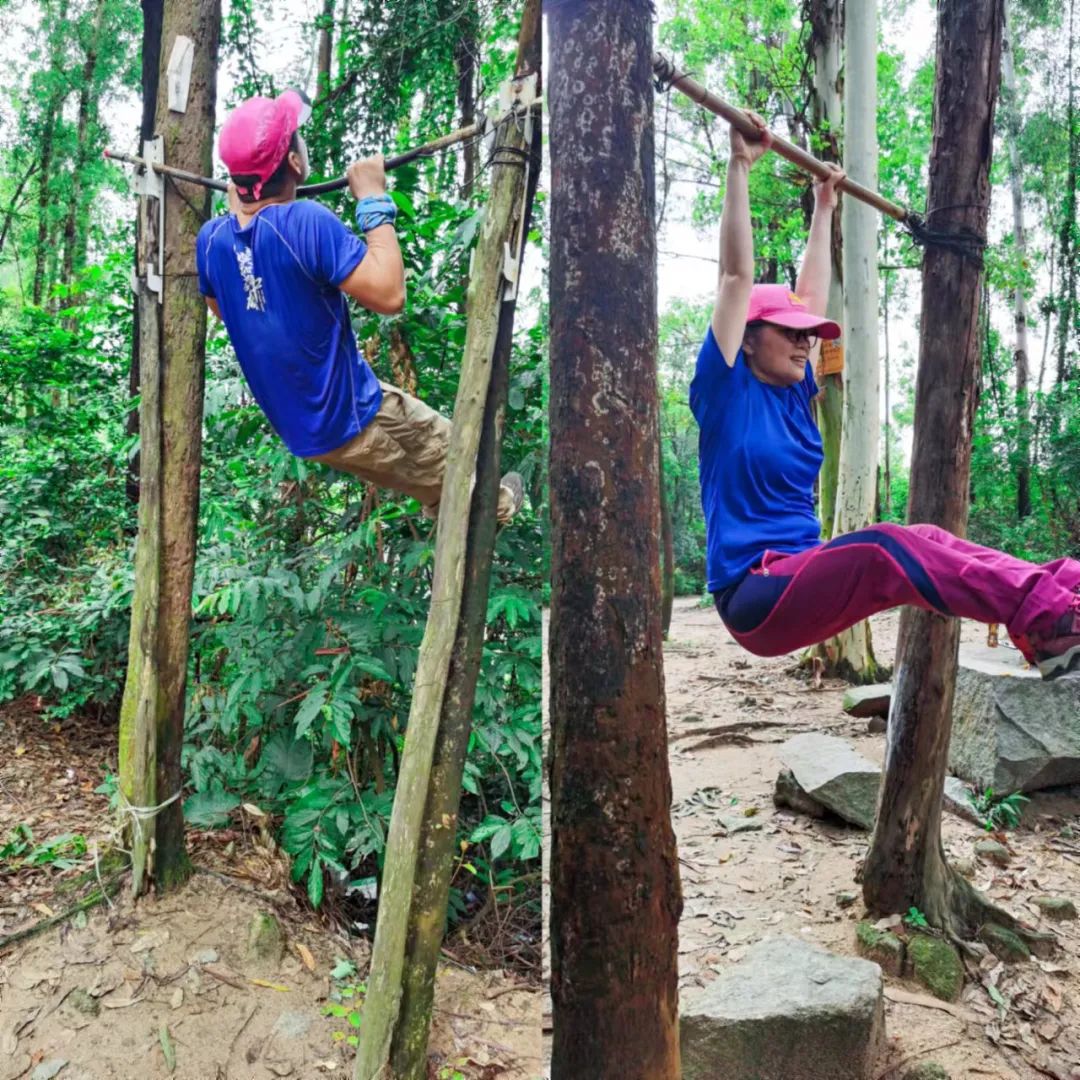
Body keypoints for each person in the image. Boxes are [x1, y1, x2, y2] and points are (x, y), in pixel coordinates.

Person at [690, 114, 1080, 680]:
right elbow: (735, 279)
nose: (804, 342)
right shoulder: (724, 392)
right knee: (884, 548)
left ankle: (1060, 598)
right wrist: (740, 165)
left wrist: (826, 206)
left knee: (922, 535)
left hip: (801, 572)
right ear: (747, 340)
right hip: (754, 595)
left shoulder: (797, 391)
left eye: (807, 334)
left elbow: (812, 296)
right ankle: (1048, 615)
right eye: (787, 331)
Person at [195, 89, 524, 524]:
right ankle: (496, 511)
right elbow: (390, 296)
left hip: (322, 417)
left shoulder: (211, 239)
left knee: (437, 443)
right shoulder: (305, 222)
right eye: (298, 138)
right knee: (459, 473)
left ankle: (464, 507)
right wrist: (371, 197)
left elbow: (224, 309)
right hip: (347, 421)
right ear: (293, 162)